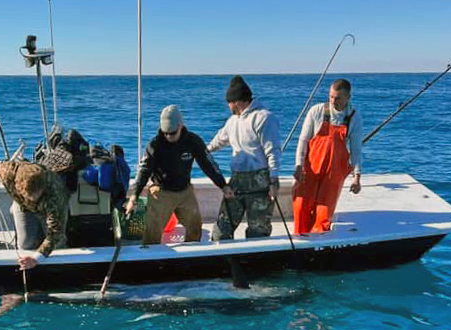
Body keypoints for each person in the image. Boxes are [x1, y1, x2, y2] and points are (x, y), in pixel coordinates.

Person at [125, 105, 234, 244]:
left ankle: (189, 258)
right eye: (165, 133)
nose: (168, 136)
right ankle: (152, 261)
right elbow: (143, 171)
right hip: (161, 192)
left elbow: (208, 164)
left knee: (195, 228)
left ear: (181, 126)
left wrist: (223, 185)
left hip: (185, 191)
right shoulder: (154, 145)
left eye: (172, 133)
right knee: (151, 233)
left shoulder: (193, 141)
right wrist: (134, 196)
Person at [208, 75, 282, 240]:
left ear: (236, 101)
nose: (228, 106)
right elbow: (218, 141)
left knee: (258, 232)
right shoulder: (232, 121)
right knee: (222, 229)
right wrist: (201, 152)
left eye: (229, 102)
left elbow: (273, 151)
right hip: (236, 183)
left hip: (260, 183)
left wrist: (274, 181)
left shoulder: (264, 118)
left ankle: (254, 262)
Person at [293, 78, 363, 234]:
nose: (333, 101)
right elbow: (303, 140)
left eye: (338, 98)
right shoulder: (316, 111)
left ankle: (317, 242)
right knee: (300, 205)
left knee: (323, 213)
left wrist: (356, 176)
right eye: (331, 96)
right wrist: (298, 165)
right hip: (310, 168)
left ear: (348, 98)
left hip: (334, 173)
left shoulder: (354, 117)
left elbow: (356, 150)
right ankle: (300, 238)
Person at [0, 160, 68, 269]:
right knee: (25, 245)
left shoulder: (56, 194)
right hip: (22, 205)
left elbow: (56, 232)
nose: (33, 199)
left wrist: (36, 258)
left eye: (35, 197)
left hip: (49, 206)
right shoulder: (9, 172)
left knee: (58, 246)